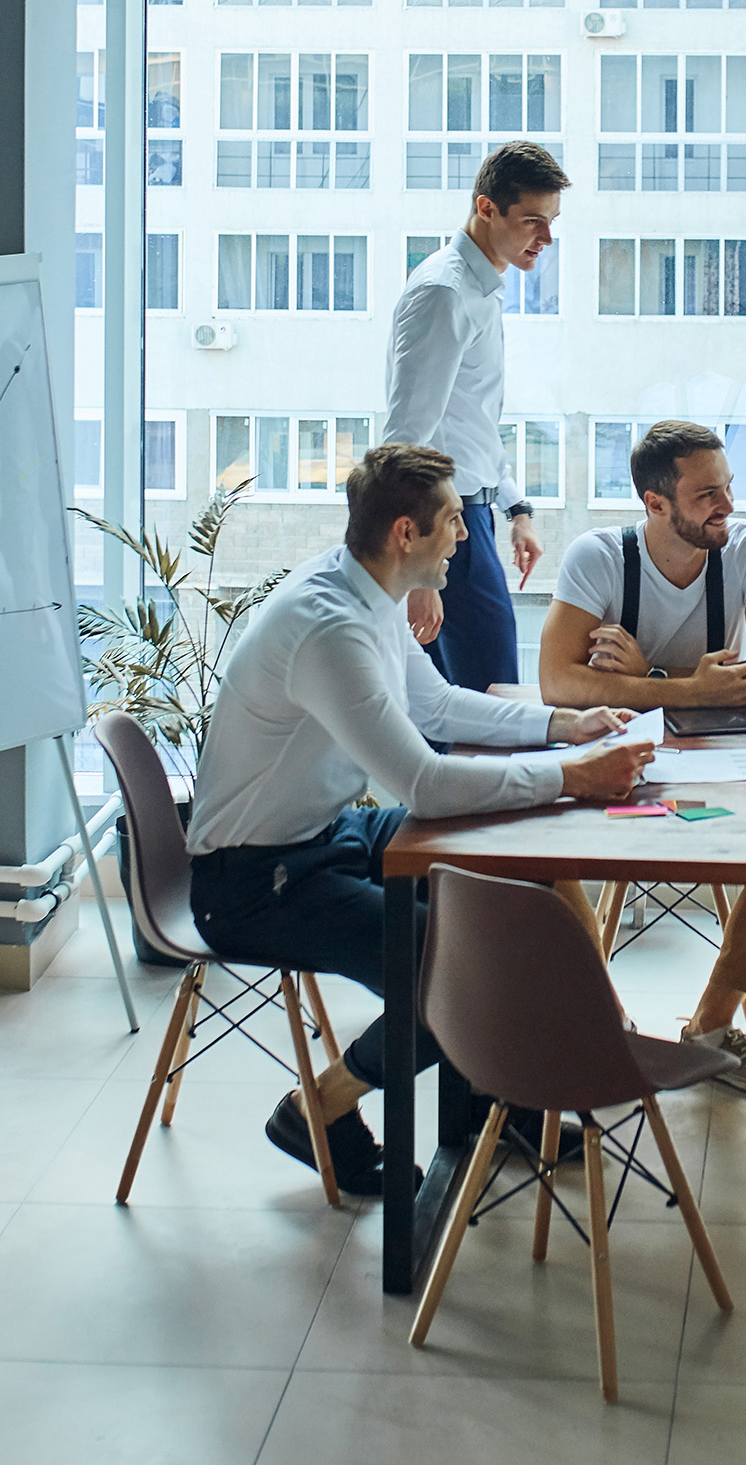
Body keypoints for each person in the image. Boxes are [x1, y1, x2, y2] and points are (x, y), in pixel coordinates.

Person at [188, 443, 652, 1195]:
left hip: (320, 836)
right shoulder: (329, 627)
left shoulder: (367, 592)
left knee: (501, 903)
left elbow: (434, 704)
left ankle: (494, 1110)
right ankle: (320, 1108)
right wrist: (572, 778)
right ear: (407, 533)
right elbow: (425, 783)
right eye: (452, 520)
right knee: (462, 973)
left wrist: (561, 726)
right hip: (252, 878)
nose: (467, 533)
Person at [540, 420, 746, 1098]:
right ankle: (608, 1026)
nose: (726, 505)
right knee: (534, 850)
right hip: (620, 765)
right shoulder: (598, 556)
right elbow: (557, 682)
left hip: (721, 766)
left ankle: (713, 1026)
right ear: (655, 503)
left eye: (727, 487)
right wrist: (687, 686)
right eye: (706, 494)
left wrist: (646, 675)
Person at [383, 141, 568, 691]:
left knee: (473, 703)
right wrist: (421, 570)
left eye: (553, 221)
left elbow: (469, 422)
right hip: (445, 527)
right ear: (486, 208)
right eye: (533, 221)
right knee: (490, 700)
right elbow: (406, 439)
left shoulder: (482, 288)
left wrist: (517, 508)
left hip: (470, 518)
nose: (547, 239)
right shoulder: (446, 293)